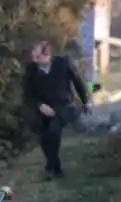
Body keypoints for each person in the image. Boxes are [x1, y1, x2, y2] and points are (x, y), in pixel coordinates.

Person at [21, 41, 90, 180]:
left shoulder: (64, 63)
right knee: (43, 135)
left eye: (38, 57)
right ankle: (56, 167)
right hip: (44, 106)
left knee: (53, 130)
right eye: (33, 57)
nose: (34, 60)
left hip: (65, 105)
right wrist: (40, 105)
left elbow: (78, 82)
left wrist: (86, 101)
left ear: (47, 55)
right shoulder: (31, 70)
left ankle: (50, 168)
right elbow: (28, 94)